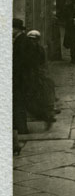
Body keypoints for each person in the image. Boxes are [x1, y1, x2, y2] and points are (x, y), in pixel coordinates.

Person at [26, 30, 57, 129]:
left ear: (37, 40)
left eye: (34, 40)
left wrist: (42, 73)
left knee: (39, 97)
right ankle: (47, 116)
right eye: (31, 40)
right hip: (30, 75)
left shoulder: (40, 49)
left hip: (36, 75)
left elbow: (43, 63)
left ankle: (47, 115)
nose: (33, 42)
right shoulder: (27, 49)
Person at [12, 18, 34, 153]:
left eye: (12, 28)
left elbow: (21, 61)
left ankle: (21, 128)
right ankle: (21, 127)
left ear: (17, 29)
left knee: (19, 102)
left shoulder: (22, 41)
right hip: (21, 77)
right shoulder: (21, 40)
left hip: (20, 78)